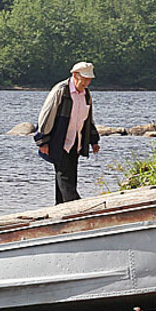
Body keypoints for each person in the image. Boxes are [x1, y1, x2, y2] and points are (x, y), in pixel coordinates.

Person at [34, 61, 101, 204]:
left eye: (89, 79)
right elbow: (46, 115)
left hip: (75, 142)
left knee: (70, 175)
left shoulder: (86, 94)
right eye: (85, 79)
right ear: (75, 75)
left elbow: (88, 118)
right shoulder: (61, 90)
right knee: (64, 175)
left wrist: (94, 140)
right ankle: (75, 205)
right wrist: (43, 140)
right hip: (59, 140)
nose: (87, 82)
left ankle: (60, 206)